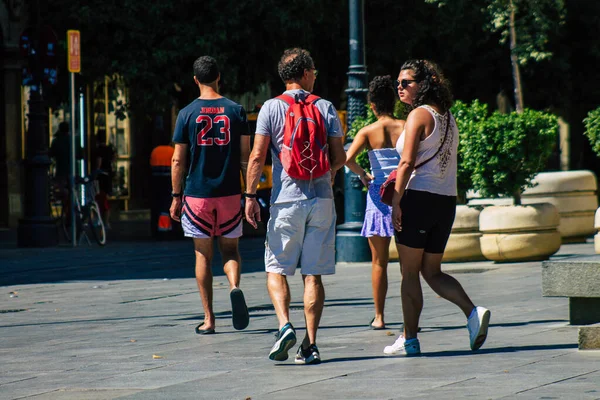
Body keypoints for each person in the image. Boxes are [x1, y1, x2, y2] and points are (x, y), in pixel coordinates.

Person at [245, 48, 346, 364]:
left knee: (275, 268)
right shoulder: (325, 107)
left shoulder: (271, 108)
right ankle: (311, 345)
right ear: (304, 73)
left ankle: (284, 324)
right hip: (322, 200)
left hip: (286, 200)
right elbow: (339, 157)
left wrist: (249, 196)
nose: (315, 75)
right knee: (313, 276)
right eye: (313, 70)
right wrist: (327, 174)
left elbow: (257, 156)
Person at [385, 60, 490, 356]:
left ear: (424, 84)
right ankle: (473, 312)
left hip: (417, 199)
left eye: (407, 82)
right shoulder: (448, 116)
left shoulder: (419, 115)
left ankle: (410, 340)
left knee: (409, 273)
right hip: (445, 202)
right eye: (398, 83)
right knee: (432, 271)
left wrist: (396, 200)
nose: (400, 88)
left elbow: (406, 163)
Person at [170, 55, 251, 335]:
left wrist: (175, 195)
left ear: (195, 80)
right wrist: (248, 192)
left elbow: (178, 160)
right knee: (230, 249)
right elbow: (246, 157)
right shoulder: (236, 111)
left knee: (202, 256)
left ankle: (209, 319)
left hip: (197, 195)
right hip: (229, 193)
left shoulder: (187, 114)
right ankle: (235, 286)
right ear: (219, 77)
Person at [345, 76, 405, 330]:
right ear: (393, 102)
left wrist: (364, 174)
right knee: (408, 264)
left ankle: (379, 317)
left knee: (379, 261)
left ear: (371, 105)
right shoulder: (406, 127)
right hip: (405, 196)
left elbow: (347, 159)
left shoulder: (367, 131)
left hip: (379, 198)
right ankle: (410, 317)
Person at [93, 129, 116, 229]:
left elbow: (99, 162)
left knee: (100, 198)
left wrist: (95, 173)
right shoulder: (109, 148)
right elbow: (114, 159)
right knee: (105, 198)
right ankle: (106, 221)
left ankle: (100, 220)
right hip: (108, 175)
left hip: (101, 176)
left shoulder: (99, 150)